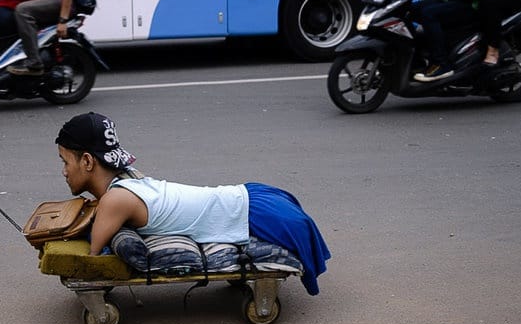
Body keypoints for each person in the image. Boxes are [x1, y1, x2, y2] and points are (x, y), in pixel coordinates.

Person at [54, 111, 331, 295]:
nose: (64, 171)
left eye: (66, 162)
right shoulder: (128, 179)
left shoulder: (115, 200)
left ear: (88, 161)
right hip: (251, 196)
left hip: (253, 212)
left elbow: (93, 257)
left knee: (302, 243)